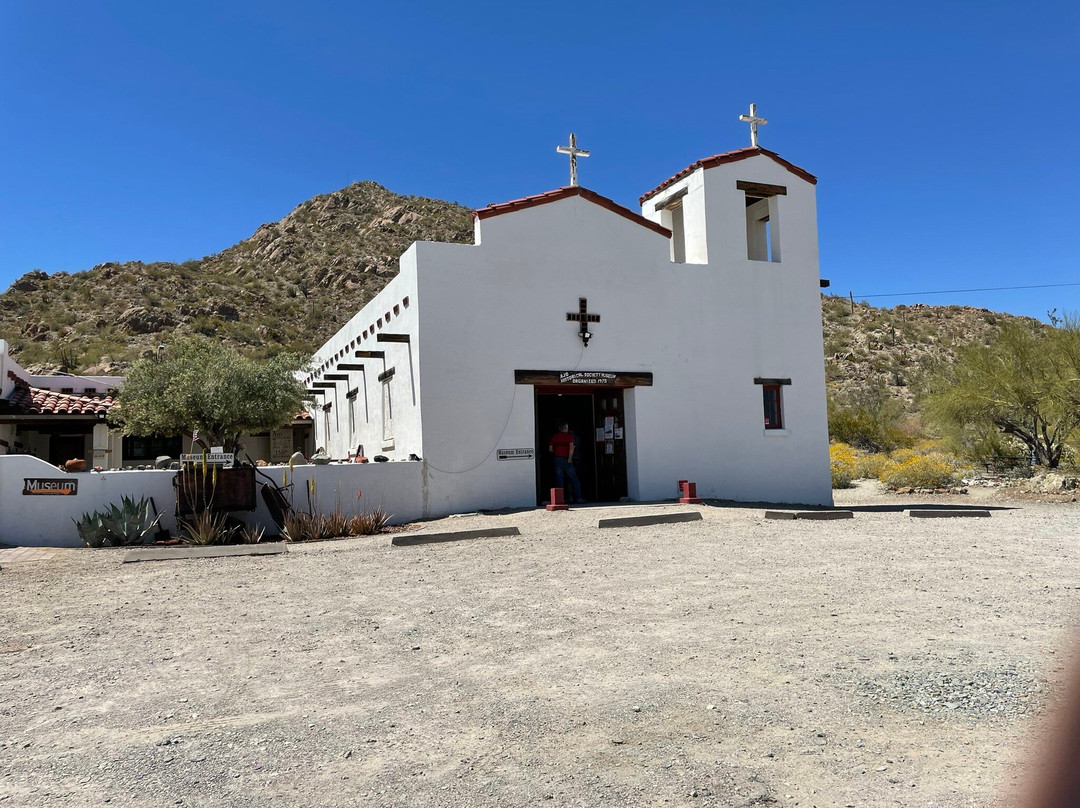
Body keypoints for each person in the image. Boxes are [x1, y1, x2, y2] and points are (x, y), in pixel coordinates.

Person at [549, 421, 583, 504]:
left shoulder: (555, 437)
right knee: (574, 479)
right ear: (565, 429)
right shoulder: (569, 437)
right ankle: (579, 498)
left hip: (557, 459)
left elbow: (550, 449)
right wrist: (570, 458)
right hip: (566, 460)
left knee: (559, 479)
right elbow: (571, 448)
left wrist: (556, 451)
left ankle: (561, 499)